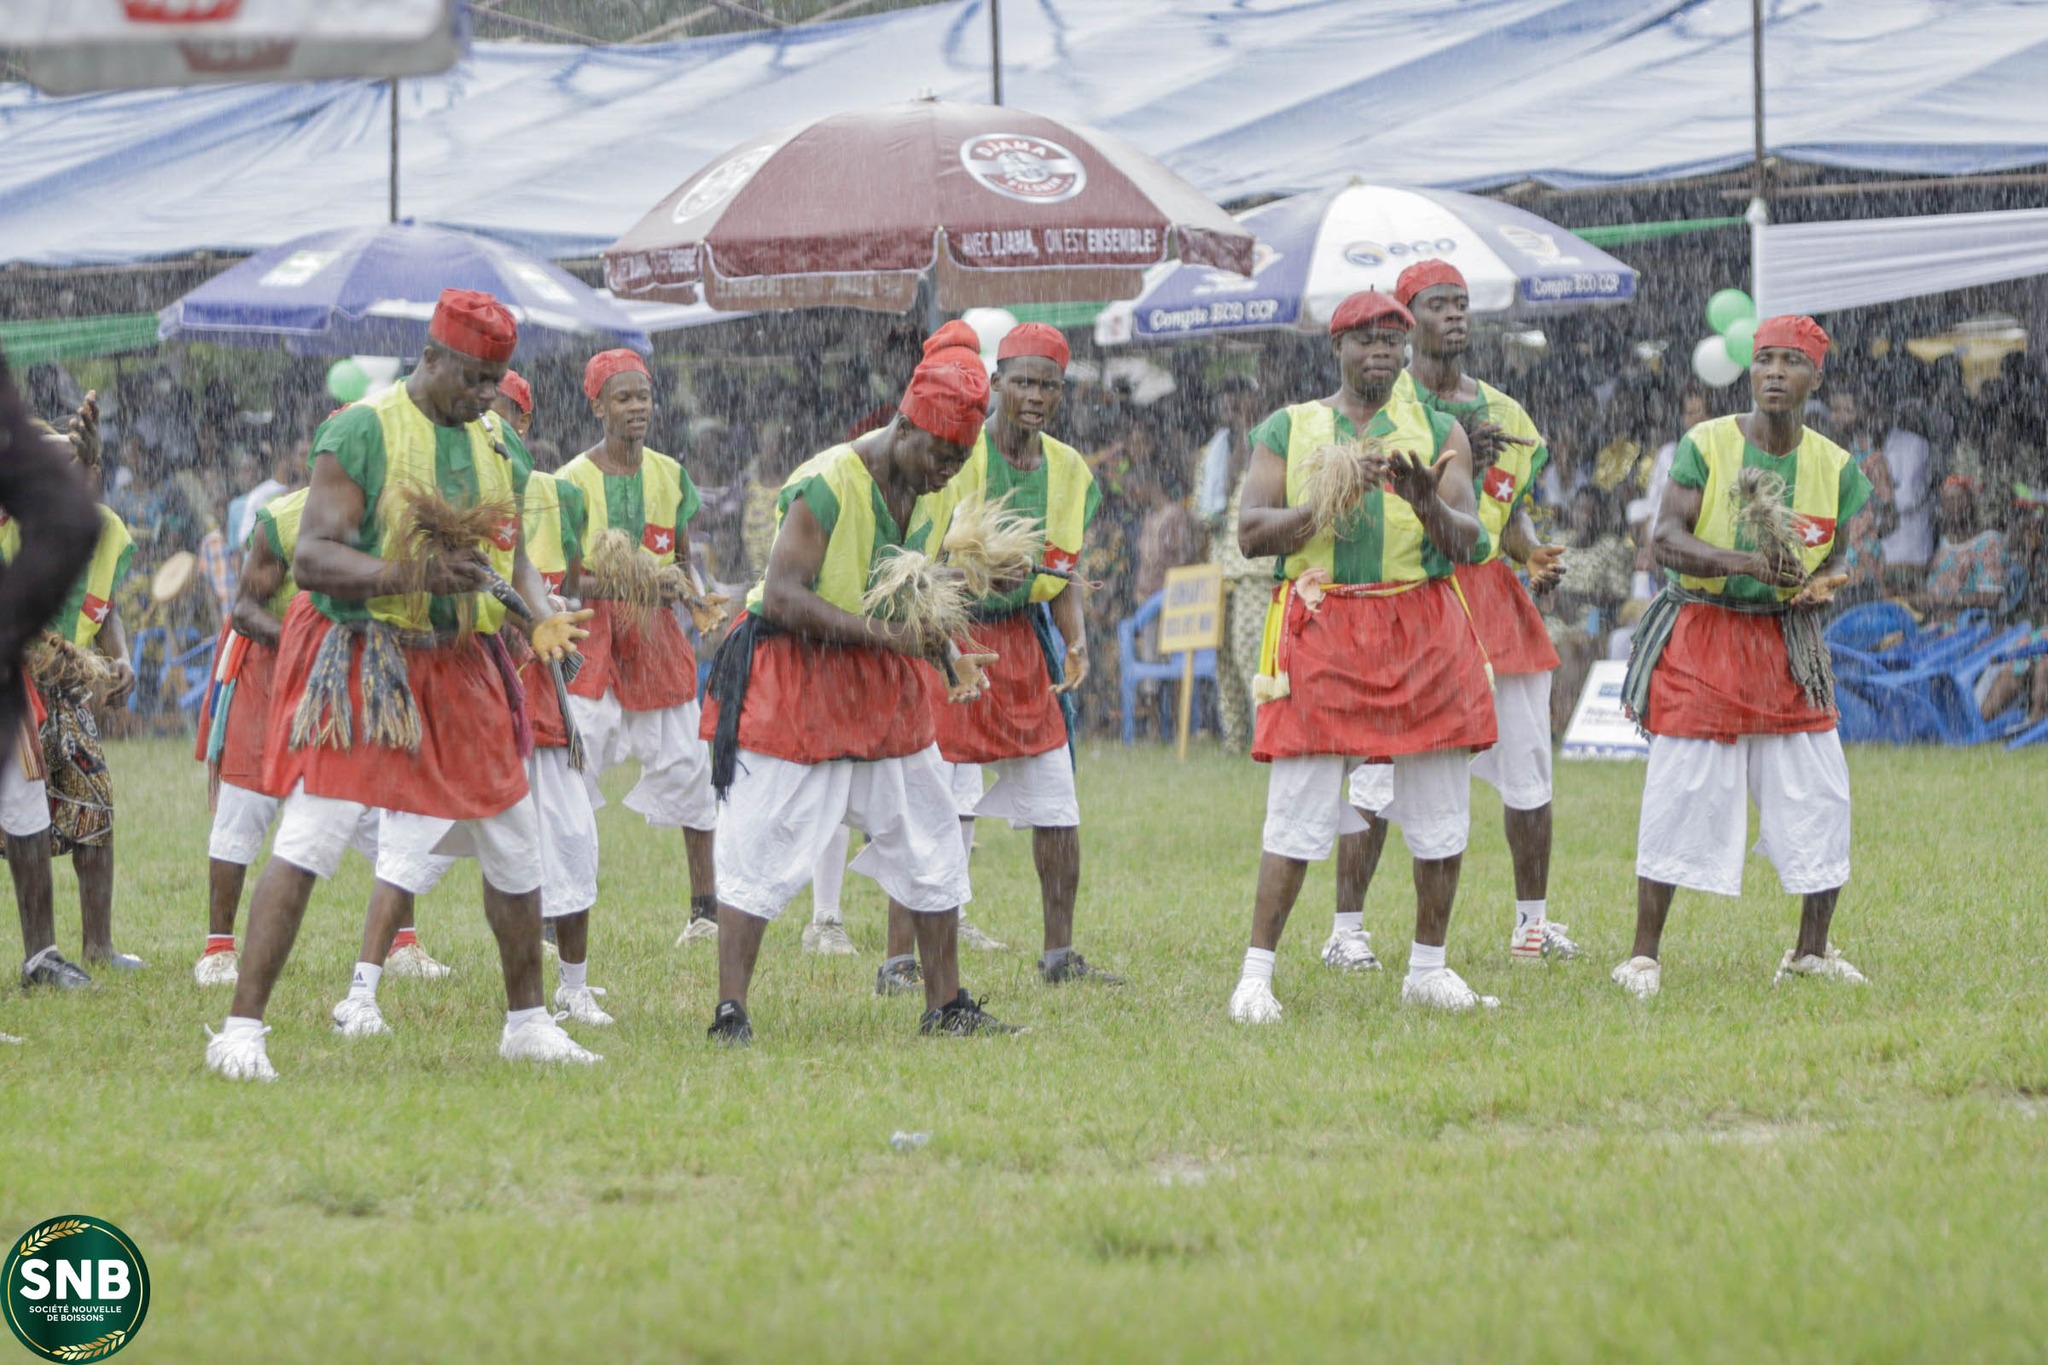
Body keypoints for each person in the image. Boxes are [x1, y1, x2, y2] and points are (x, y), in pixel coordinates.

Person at [203, 289, 596, 1081]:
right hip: (366, 654)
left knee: (514, 837)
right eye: (472, 377)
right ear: (431, 356)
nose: (483, 395)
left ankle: (527, 1022)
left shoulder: (501, 447)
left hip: (462, 660)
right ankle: (239, 1030)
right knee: (312, 834)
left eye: (494, 381)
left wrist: (538, 616)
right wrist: (410, 574)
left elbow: (514, 557)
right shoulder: (363, 429)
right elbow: (315, 556)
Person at [697, 333, 1018, 1043]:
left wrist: (947, 645)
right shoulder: (828, 481)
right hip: (796, 673)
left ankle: (946, 1004)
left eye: (960, 458)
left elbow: (909, 589)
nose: (946, 470)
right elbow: (783, 595)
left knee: (932, 832)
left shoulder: (938, 490)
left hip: (882, 679)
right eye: (939, 453)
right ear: (904, 425)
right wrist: (889, 637)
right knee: (760, 839)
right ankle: (731, 1011)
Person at [1226, 290, 1498, 1024]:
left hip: (1422, 626)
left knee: (1441, 808)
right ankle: (1255, 977)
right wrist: (1327, 504)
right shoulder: (1289, 427)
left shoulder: (1438, 428)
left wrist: (1425, 503)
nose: (1380, 351)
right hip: (1324, 625)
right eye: (1365, 339)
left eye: (1391, 340)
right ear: (1337, 347)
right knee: (1297, 805)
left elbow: (1470, 542)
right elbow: (1250, 534)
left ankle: (1429, 968)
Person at [1615, 315, 1870, 1000]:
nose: (1775, 373)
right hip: (1706, 632)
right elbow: (1665, 539)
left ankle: (1810, 953)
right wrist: (1746, 562)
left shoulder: (1836, 466)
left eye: (1792, 362)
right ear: (1750, 371)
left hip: (1787, 643)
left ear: (1816, 377)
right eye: (1765, 361)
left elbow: (1840, 554)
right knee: (1680, 793)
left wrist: (1825, 582)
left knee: (1822, 796)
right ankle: (1642, 958)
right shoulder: (1706, 443)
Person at [1332, 261, 1571, 974]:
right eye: (1438, 304)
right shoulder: (1380, 404)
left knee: (1528, 766)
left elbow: (1508, 512)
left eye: (1462, 304)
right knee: (1378, 773)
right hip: (1411, 597)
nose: (1456, 315)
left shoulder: (1507, 413)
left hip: (1493, 598)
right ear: (1408, 323)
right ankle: (1347, 930)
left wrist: (1531, 553)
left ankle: (1532, 924)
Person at [341, 459, 610, 1034]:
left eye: (509, 420)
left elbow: (548, 585)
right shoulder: (436, 483)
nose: (494, 426)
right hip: (457, 694)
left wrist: (548, 613)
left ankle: (573, 991)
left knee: (570, 842)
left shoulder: (557, 496)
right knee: (407, 846)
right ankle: (360, 996)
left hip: (541, 709)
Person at [910, 321, 1119, 986]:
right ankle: (899, 961)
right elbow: (916, 562)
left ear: (1062, 392)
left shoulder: (1070, 469)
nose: (1035, 396)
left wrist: (1075, 638)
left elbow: (1064, 570)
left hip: (1026, 644)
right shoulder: (956, 453)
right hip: (950, 636)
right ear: (996, 382)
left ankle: (1059, 955)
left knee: (1056, 802)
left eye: (1048, 386)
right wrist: (973, 578)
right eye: (1022, 382)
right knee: (932, 800)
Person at [191, 488, 445, 986]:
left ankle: (403, 943)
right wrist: (306, 644)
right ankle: (217, 950)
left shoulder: (394, 518)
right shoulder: (282, 519)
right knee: (245, 802)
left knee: (378, 805)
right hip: (269, 669)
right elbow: (244, 610)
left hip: (350, 668)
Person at [557, 351, 721, 948]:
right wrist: (632, 585)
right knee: (573, 768)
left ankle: (705, 912)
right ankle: (557, 911)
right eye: (622, 398)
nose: (636, 408)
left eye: (643, 397)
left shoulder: (670, 474)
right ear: (597, 407)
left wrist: (698, 601)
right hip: (591, 633)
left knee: (689, 764)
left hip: (655, 635)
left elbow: (680, 562)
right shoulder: (570, 481)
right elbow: (567, 577)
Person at [2, 398, 144, 978]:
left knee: (93, 804)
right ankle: (42, 955)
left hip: (68, 691)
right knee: (22, 813)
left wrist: (121, 658)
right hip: (16, 685)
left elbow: (104, 606)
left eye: (86, 469)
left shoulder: (103, 528)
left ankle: (96, 947)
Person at [1903, 476, 2006, 622]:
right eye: (1947, 501)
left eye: (1960, 499)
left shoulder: (1989, 542)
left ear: (1972, 501)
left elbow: (1992, 598)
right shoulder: (1944, 542)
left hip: (1969, 625)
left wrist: (1941, 601)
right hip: (1932, 622)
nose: (1954, 506)